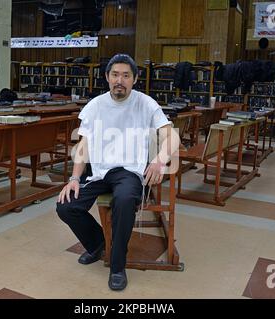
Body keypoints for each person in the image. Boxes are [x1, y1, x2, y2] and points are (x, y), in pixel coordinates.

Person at [56, 54, 180, 291]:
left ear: (135, 79)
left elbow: (171, 136)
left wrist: (158, 161)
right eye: (115, 75)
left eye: (125, 75)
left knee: (124, 200)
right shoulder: (95, 106)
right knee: (66, 205)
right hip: (99, 171)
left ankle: (117, 265)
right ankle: (98, 244)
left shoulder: (146, 103)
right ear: (107, 77)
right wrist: (73, 178)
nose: (119, 80)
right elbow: (83, 146)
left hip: (130, 172)